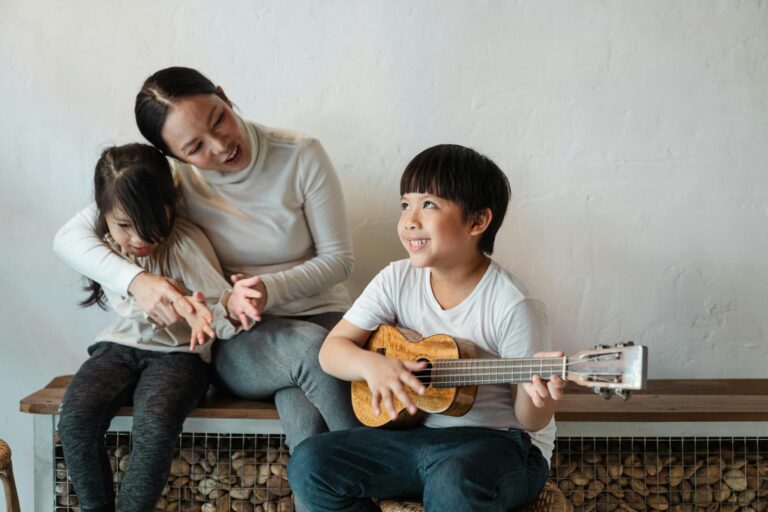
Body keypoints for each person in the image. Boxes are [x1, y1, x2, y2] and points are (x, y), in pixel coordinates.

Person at [53, 67, 360, 451]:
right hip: (242, 336)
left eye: (219, 119)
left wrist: (270, 289)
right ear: (171, 156)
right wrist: (139, 282)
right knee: (316, 352)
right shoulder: (174, 181)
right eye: (194, 148)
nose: (220, 146)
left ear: (224, 95)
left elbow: (339, 259)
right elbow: (69, 237)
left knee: (305, 424)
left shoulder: (300, 154)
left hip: (323, 315)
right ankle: (379, 468)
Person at [288, 144, 567, 511]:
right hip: (413, 438)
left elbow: (530, 421)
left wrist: (540, 398)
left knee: (454, 482)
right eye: (406, 204)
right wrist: (372, 365)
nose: (410, 220)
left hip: (500, 446)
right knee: (310, 463)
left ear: (477, 221)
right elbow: (331, 351)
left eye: (429, 205)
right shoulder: (396, 278)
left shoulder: (513, 304)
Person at [57, 143, 254, 512]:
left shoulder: (186, 242)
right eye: (124, 225)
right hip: (116, 348)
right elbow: (121, 295)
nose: (139, 238)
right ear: (104, 215)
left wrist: (219, 310)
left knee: (155, 424)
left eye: (150, 222)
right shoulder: (102, 247)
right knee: (75, 418)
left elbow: (218, 305)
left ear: (171, 202)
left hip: (178, 357)